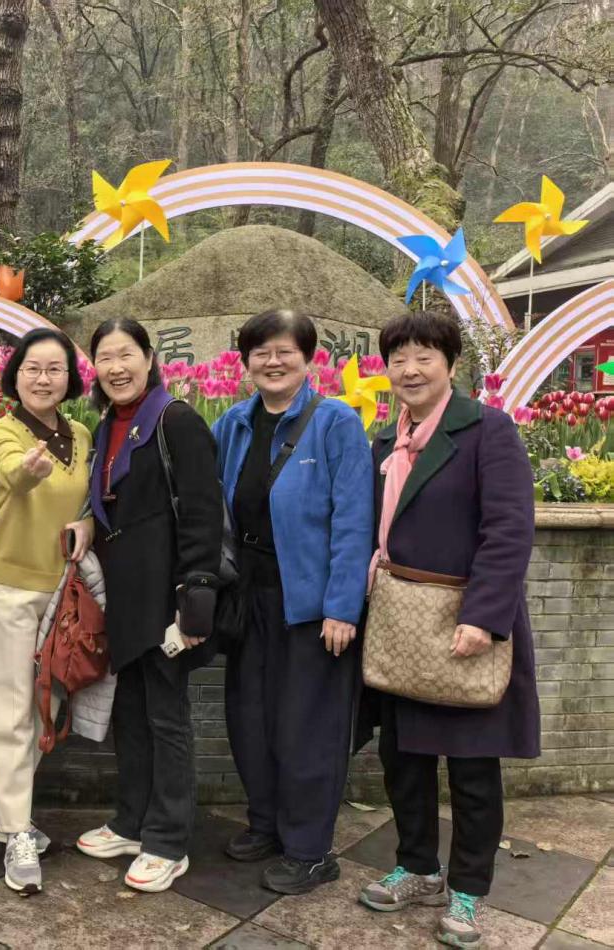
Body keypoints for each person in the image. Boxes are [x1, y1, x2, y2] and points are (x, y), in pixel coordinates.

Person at [356, 311, 540, 949]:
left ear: (451, 364)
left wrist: (483, 617)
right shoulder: (386, 441)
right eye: (398, 359)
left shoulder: (488, 430)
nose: (409, 370)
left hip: (461, 622)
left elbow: (509, 529)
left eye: (424, 357)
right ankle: (417, 867)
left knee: (470, 768)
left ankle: (467, 889)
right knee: (403, 757)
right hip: (399, 620)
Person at [212, 309, 374, 894]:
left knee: (307, 726)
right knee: (250, 717)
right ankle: (266, 823)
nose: (272, 361)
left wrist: (342, 607)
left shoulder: (335, 423)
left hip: (310, 602)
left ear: (308, 359)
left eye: (285, 351)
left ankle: (309, 850)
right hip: (247, 597)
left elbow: (354, 519)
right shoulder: (234, 423)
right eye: (261, 352)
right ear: (246, 362)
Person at [73, 317, 222, 894]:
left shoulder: (176, 421)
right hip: (126, 598)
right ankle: (132, 821)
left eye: (126, 354)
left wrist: (196, 596)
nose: (116, 368)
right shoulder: (108, 424)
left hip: (168, 596)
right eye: (105, 358)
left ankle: (167, 839)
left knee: (166, 717)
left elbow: (203, 512)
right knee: (130, 715)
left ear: (149, 357)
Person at [0, 328, 93, 895]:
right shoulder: (2, 431)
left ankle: (0, 811)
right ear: (15, 375)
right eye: (32, 369)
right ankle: (17, 831)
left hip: (64, 593)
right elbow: (9, 471)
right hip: (8, 587)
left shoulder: (83, 434)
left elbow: (90, 501)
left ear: (70, 378)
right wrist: (28, 470)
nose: (43, 379)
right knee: (9, 710)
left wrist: (87, 523)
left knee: (46, 708)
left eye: (54, 369)